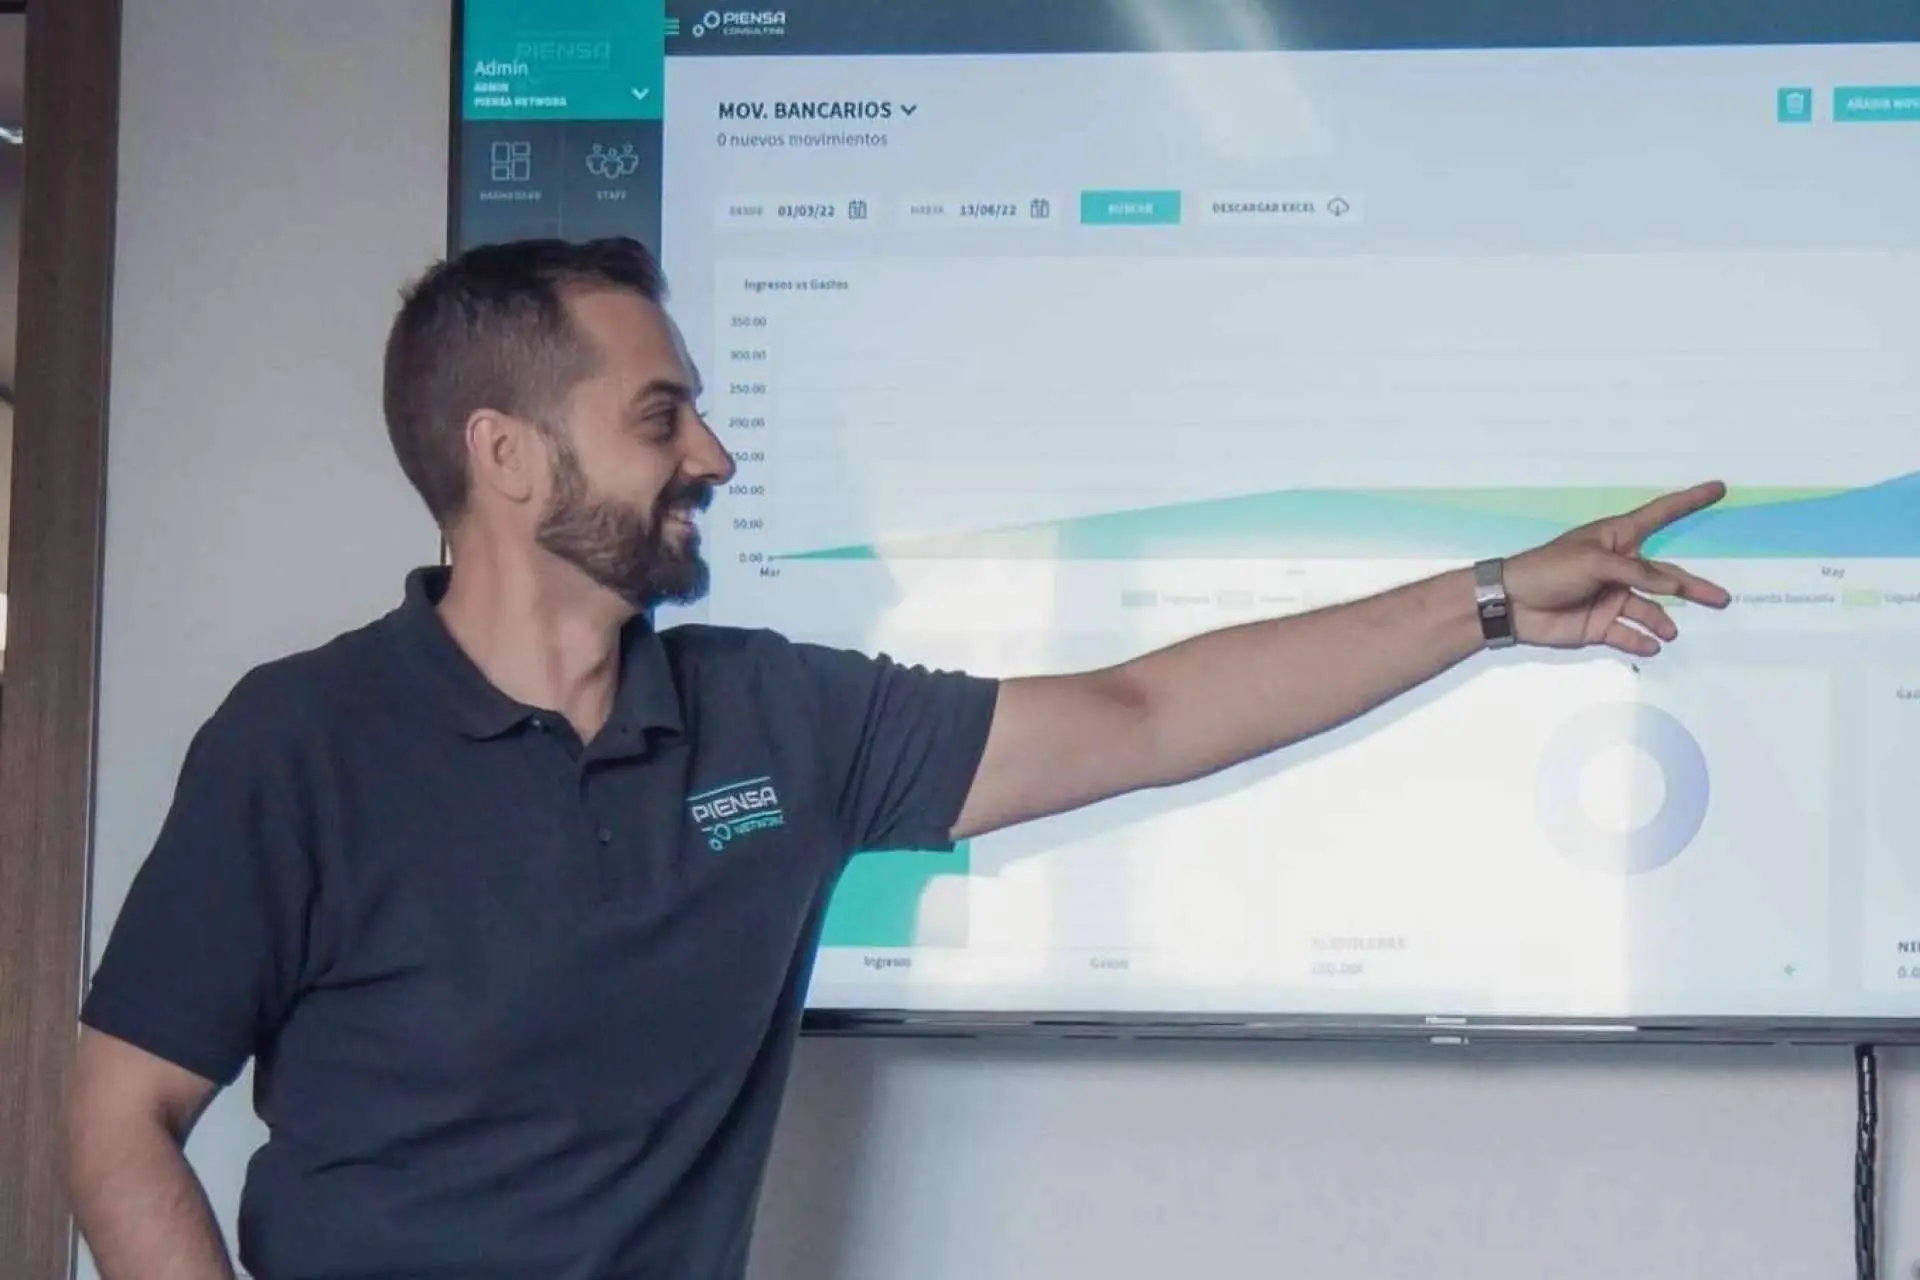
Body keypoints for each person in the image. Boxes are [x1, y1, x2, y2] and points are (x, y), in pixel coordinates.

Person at [61, 236, 1731, 1280]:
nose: (714, 454)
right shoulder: (301, 743)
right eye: (660, 417)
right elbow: (118, 1119)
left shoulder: (777, 720)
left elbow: (1143, 715)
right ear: (506, 456)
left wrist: (1492, 602)